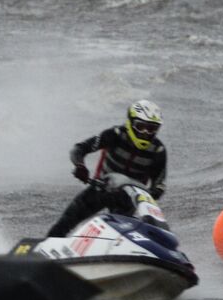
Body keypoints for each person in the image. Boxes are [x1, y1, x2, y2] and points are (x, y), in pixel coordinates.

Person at [46, 100, 166, 238]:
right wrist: (80, 166)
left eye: (151, 128)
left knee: (117, 237)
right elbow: (79, 148)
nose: (145, 133)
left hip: (126, 201)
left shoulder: (158, 150)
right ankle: (47, 246)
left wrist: (151, 193)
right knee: (64, 224)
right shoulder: (114, 135)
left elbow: (159, 185)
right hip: (100, 189)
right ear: (130, 123)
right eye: (140, 127)